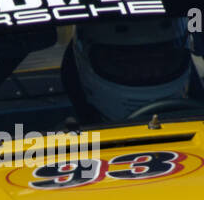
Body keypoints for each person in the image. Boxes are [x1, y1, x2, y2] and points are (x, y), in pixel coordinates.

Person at [62, 17, 195, 122]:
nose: (146, 74)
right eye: (128, 63)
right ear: (85, 62)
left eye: (159, 60)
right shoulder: (63, 150)